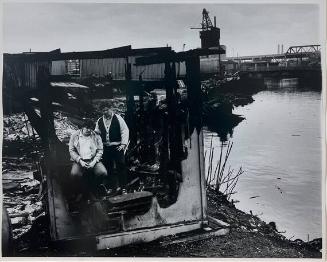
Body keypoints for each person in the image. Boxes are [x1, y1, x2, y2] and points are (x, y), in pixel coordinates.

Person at [69, 118, 107, 200]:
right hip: (79, 161)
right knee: (74, 174)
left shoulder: (96, 136)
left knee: (102, 172)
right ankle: (79, 191)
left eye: (90, 129)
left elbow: (100, 150)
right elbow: (71, 150)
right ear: (82, 127)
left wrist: (94, 161)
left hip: (93, 160)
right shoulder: (75, 135)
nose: (88, 130)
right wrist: (79, 160)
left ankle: (95, 188)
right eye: (87, 128)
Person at [95, 105, 129, 193]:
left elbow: (125, 130)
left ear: (111, 109)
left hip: (117, 146)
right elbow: (97, 132)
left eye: (107, 110)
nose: (105, 112)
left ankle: (123, 187)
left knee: (120, 165)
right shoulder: (99, 120)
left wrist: (123, 144)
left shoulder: (118, 118)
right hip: (106, 147)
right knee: (108, 167)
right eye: (103, 110)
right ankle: (111, 187)